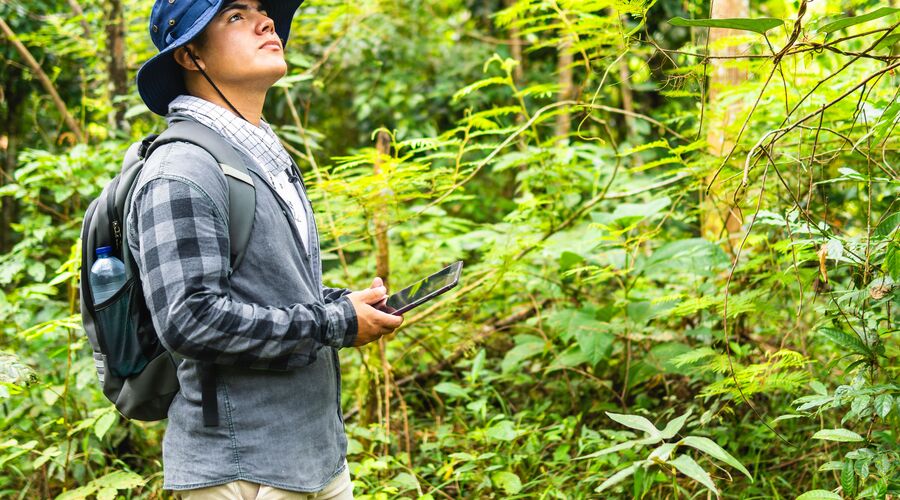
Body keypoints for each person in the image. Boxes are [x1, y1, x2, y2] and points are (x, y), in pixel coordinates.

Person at [129, 0, 403, 497]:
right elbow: (191, 320)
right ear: (191, 56)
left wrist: (344, 304)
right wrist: (334, 322)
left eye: (262, 10)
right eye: (235, 15)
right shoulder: (182, 173)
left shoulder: (261, 156)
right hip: (243, 472)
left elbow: (267, 287)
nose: (266, 21)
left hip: (314, 458)